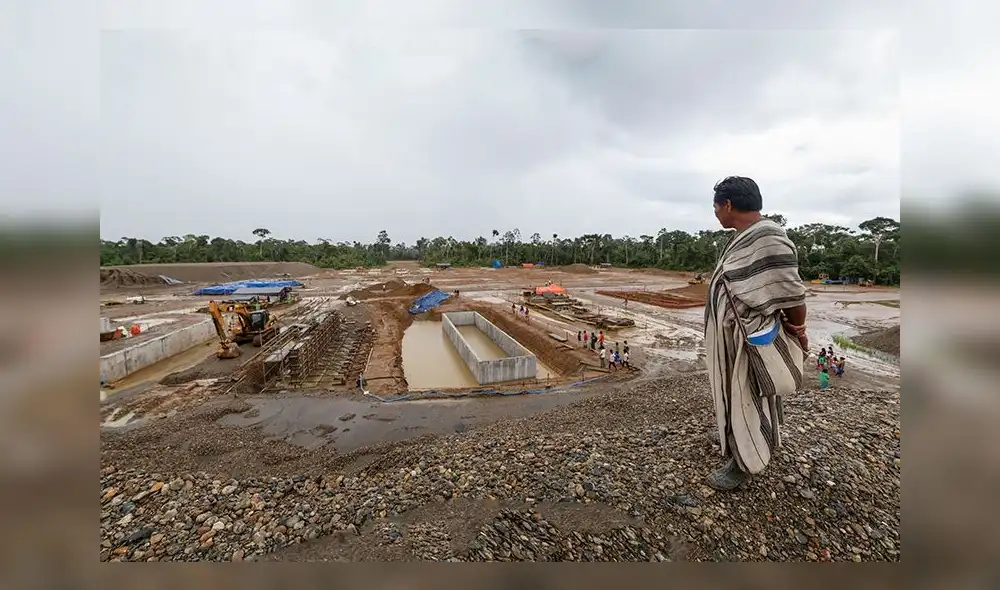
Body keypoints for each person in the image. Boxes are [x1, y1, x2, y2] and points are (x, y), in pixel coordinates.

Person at [703, 176, 809, 491]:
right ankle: (747, 438)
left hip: (750, 338)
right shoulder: (743, 236)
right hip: (734, 338)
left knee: (747, 395)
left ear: (728, 204)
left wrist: (798, 329)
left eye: (716, 206)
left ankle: (746, 461)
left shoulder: (769, 237)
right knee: (741, 394)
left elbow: (791, 292)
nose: (715, 213)